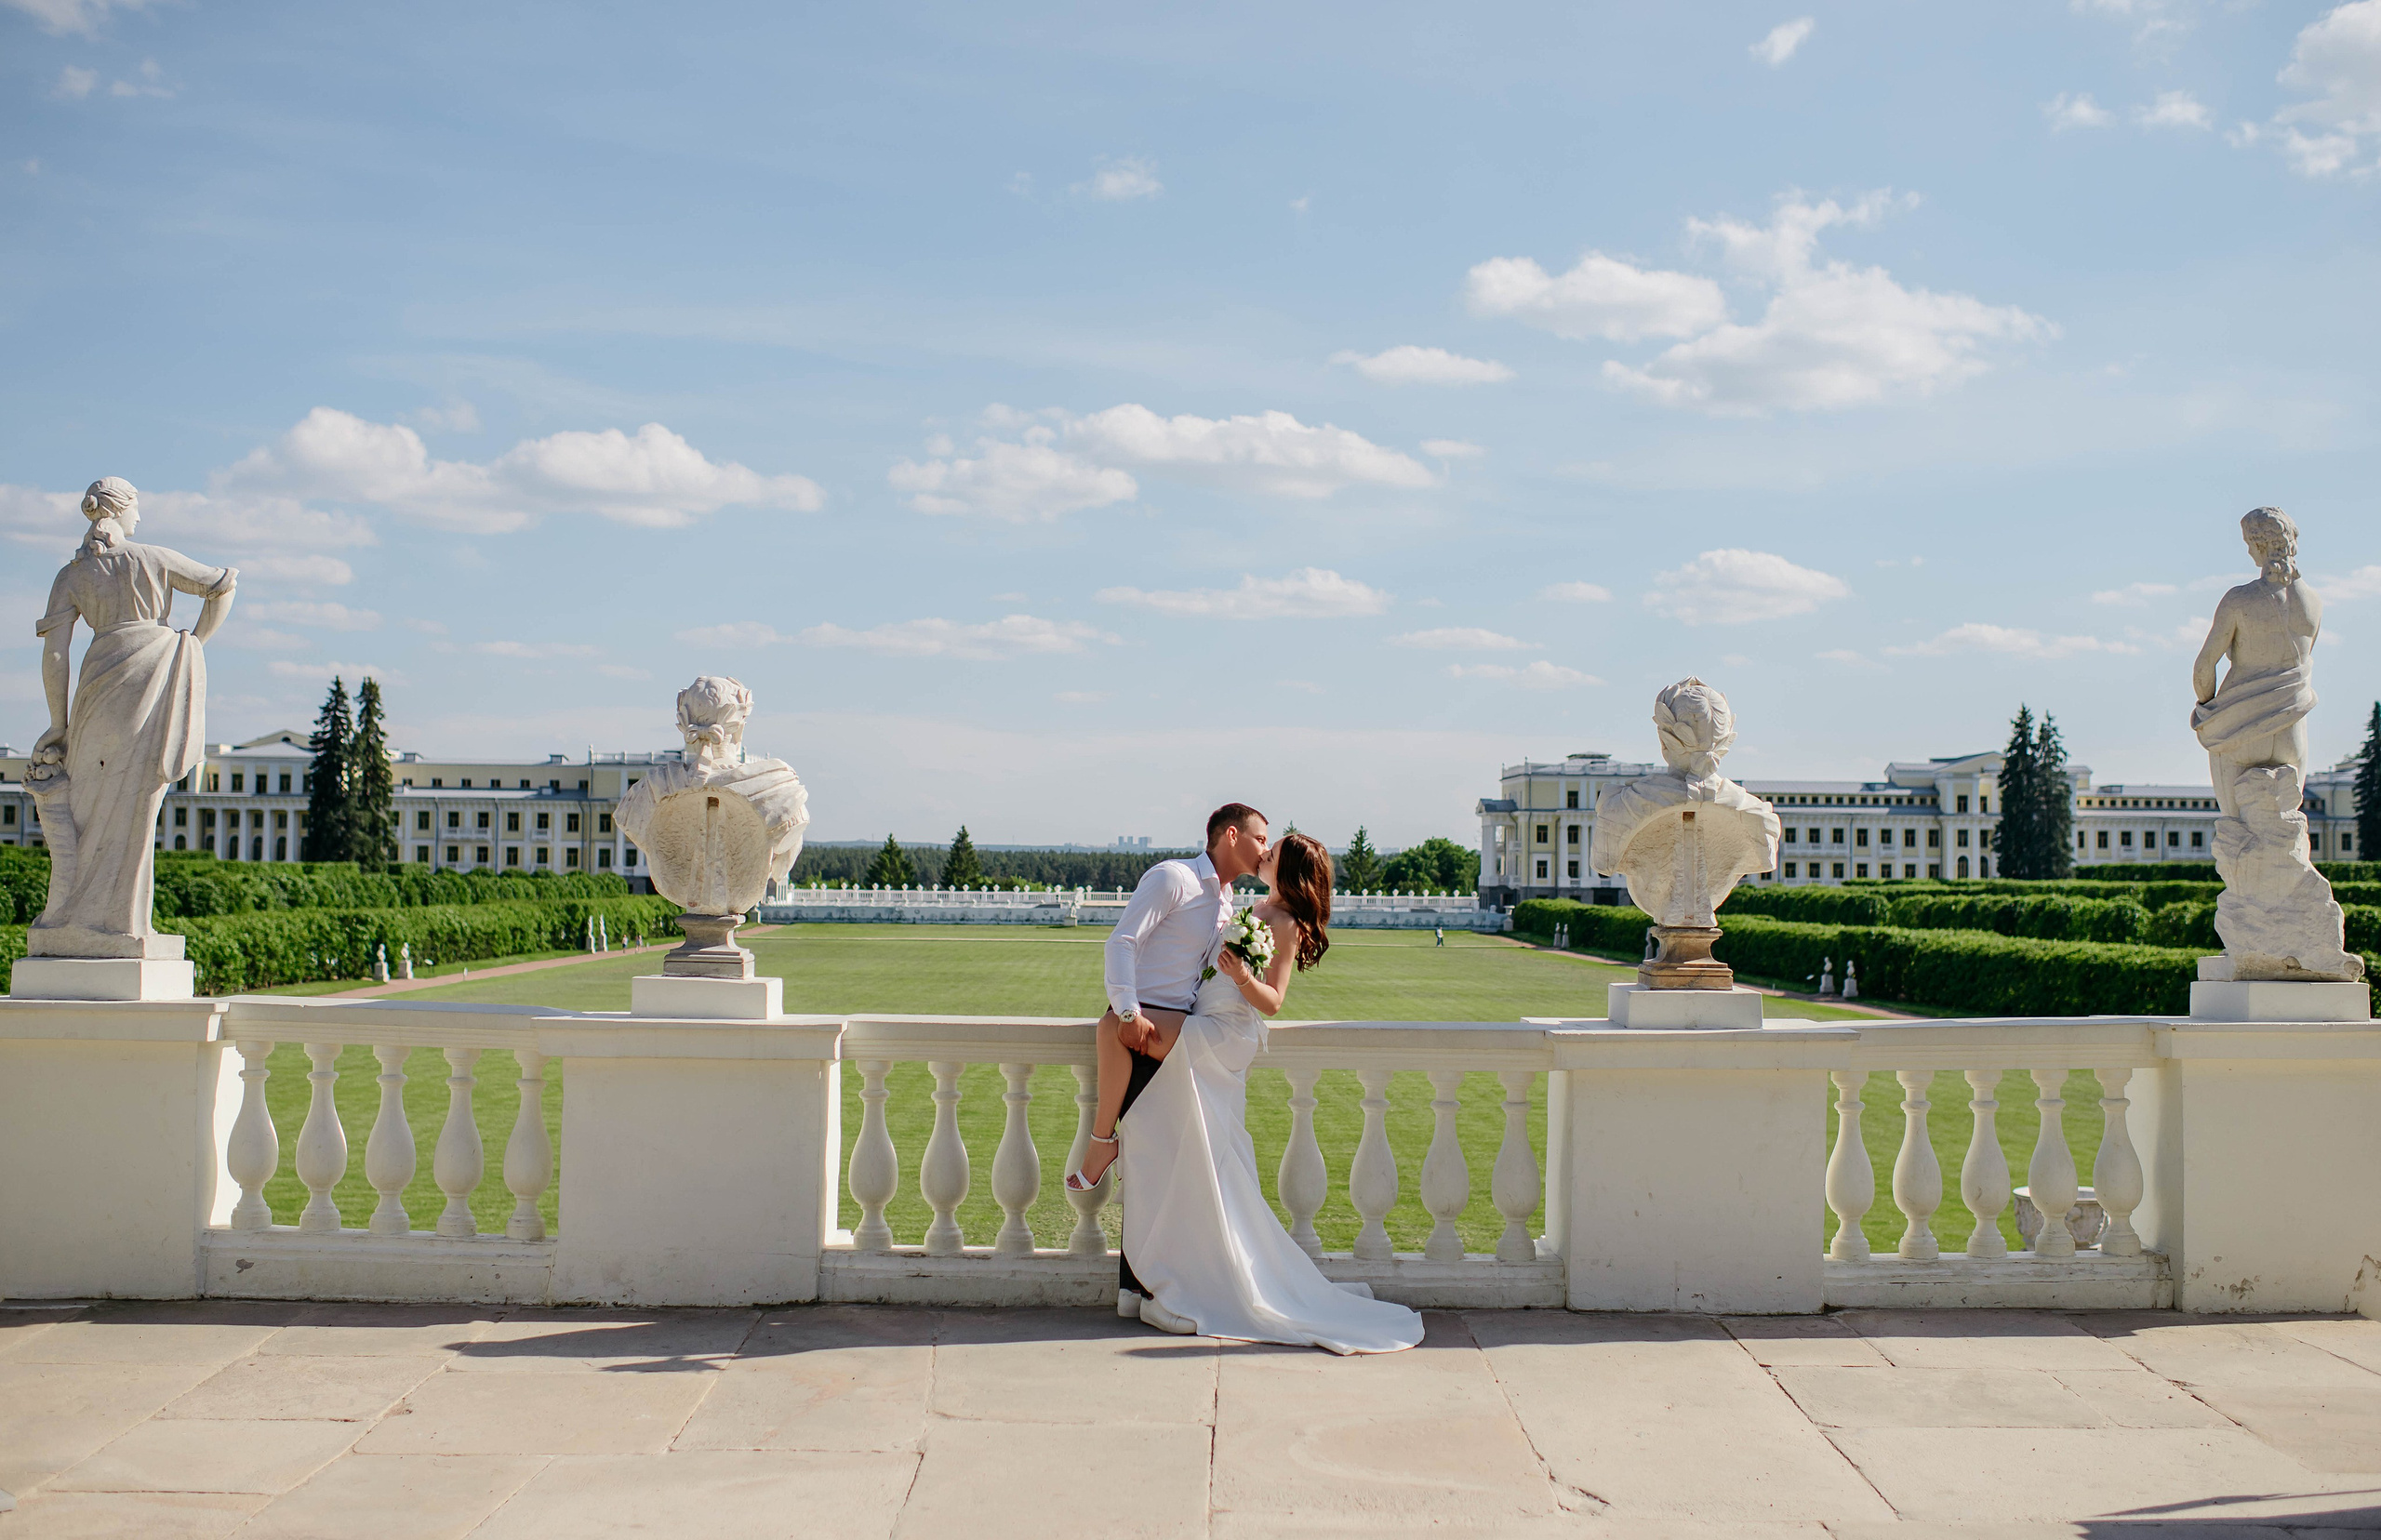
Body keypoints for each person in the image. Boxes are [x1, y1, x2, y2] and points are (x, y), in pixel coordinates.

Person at [1110, 830, 1423, 1353]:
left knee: (1119, 1040)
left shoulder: (1287, 923)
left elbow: (1273, 1000)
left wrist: (1238, 977)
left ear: (1289, 869)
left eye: (1272, 853)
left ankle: (1173, 1271)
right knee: (1182, 1143)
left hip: (1223, 1031)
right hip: (1204, 1019)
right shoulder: (1250, 903)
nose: (1264, 854)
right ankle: (1162, 1267)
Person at [29, 478, 235, 955]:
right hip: (153, 675)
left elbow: (55, 656)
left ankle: (81, 920)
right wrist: (192, 645)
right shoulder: (153, 558)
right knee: (137, 806)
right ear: (122, 511)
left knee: (85, 806)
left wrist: (58, 723)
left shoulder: (71, 575)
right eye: (136, 507)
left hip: (96, 685)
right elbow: (223, 586)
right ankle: (125, 924)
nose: (138, 517)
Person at [1068, 804, 1263, 1308]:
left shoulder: (1227, 901)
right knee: (1144, 1165)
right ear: (1232, 835)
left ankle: (1142, 1288)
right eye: (1260, 838)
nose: (1264, 848)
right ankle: (1136, 1288)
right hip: (1142, 1031)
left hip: (1181, 1039)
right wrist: (1128, 1014)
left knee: (1162, 1170)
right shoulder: (1174, 878)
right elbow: (1123, 942)